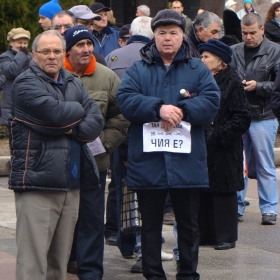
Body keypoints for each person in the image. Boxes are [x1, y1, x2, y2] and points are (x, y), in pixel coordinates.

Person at [116, 9, 220, 280]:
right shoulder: (139, 68)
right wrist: (158, 109)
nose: (167, 38)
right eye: (162, 33)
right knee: (150, 227)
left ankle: (187, 274)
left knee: (188, 225)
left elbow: (211, 101)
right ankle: (154, 275)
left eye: (173, 33)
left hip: (186, 163)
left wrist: (182, 111)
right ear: (154, 36)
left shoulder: (197, 67)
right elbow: (125, 99)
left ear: (181, 36)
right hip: (148, 163)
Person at [10, 29, 103, 280]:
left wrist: (73, 119)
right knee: (33, 264)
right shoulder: (24, 83)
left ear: (64, 54)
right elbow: (55, 115)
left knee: (59, 265)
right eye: (45, 51)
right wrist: (76, 111)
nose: (51, 56)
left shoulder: (73, 81)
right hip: (37, 185)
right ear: (33, 54)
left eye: (57, 51)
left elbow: (96, 120)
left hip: (71, 185)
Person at [63, 26, 129, 279]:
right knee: (63, 219)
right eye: (79, 45)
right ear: (68, 50)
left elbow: (121, 115)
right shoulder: (55, 75)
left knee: (91, 218)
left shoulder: (107, 77)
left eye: (89, 44)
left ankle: (90, 271)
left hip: (95, 162)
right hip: (58, 162)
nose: (86, 49)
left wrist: (104, 143)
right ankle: (65, 261)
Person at [198, 39, 251, 249]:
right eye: (201, 56)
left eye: (206, 57)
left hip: (224, 147)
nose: (202, 60)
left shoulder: (232, 82)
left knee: (224, 192)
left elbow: (242, 117)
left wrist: (219, 135)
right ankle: (206, 234)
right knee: (205, 190)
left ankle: (226, 236)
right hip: (204, 145)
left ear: (219, 60)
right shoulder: (201, 81)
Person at [230, 13, 280, 225]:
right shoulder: (234, 51)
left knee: (264, 164)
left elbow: (278, 85)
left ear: (262, 29)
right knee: (238, 164)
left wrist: (258, 86)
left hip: (263, 114)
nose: (248, 37)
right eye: (244, 33)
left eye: (252, 32)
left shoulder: (275, 51)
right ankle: (237, 206)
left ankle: (269, 208)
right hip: (239, 113)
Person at [0, 28, 32, 127]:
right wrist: (22, 54)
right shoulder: (5, 57)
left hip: (27, 99)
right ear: (11, 42)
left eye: (25, 43)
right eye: (19, 42)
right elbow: (12, 71)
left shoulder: (31, 56)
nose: (23, 46)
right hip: (10, 103)